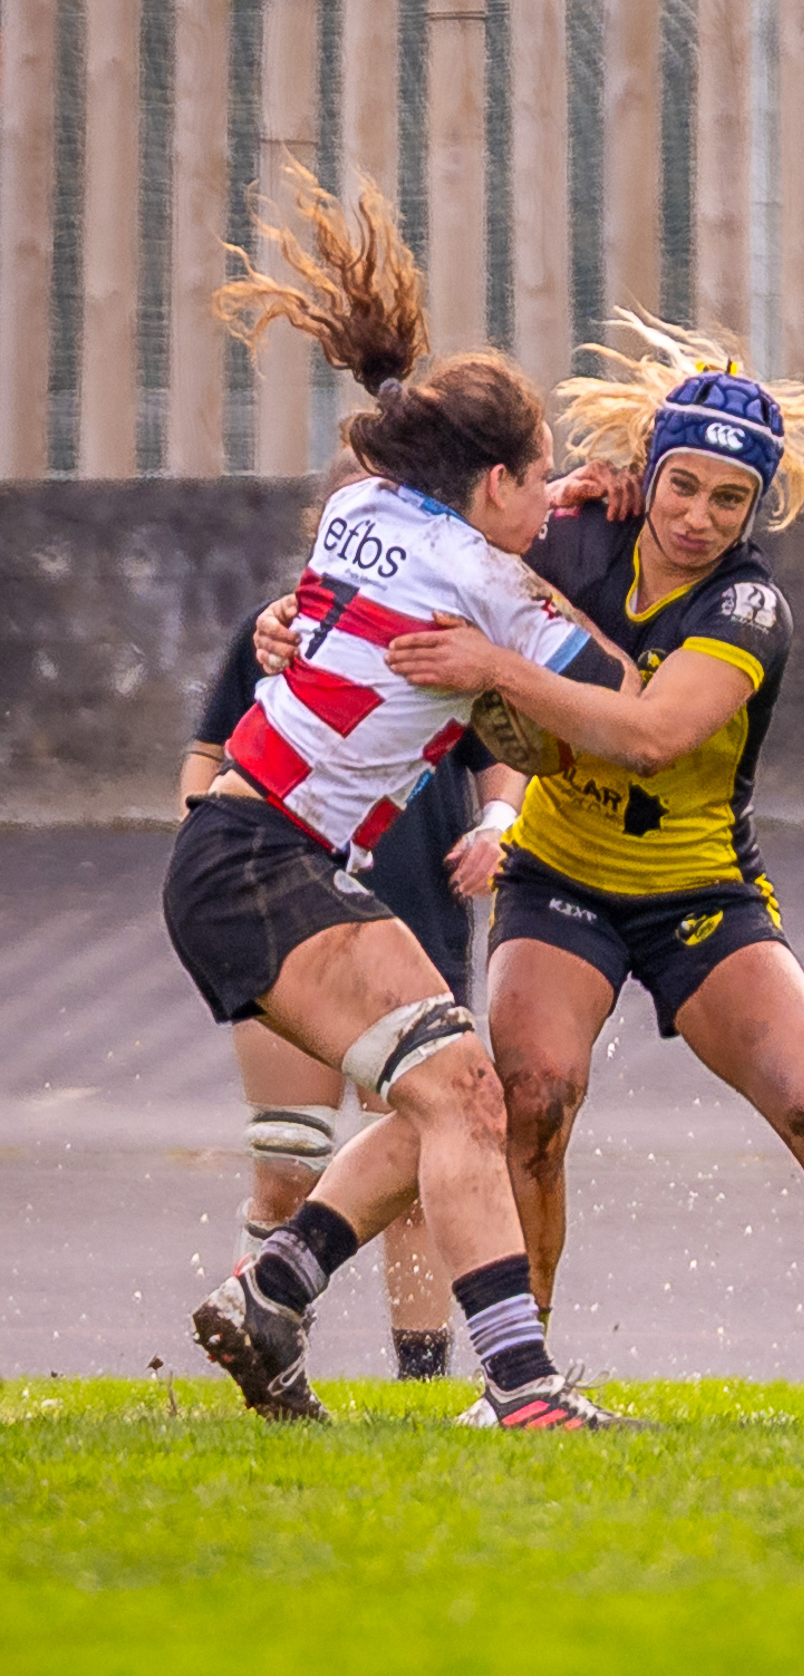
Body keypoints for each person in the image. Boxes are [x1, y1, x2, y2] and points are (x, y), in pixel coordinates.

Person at [361, 314, 804, 1422]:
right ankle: (522, 1387)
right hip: (557, 880)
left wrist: (499, 663)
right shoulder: (567, 534)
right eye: (681, 487)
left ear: (757, 510)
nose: (698, 518)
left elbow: (646, 736)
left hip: (700, 894)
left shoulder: (748, 607)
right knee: (535, 1104)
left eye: (727, 500)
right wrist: (287, 626)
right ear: (644, 475)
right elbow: (423, 554)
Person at [172, 162, 642, 1429]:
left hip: (247, 852)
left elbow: (415, 555)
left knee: (446, 1086)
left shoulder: (365, 502)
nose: (550, 501)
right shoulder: (484, 588)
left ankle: (274, 1293)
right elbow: (627, 705)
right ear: (487, 482)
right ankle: (526, 1390)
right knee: (466, 1095)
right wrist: (606, 551)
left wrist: (555, 522)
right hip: (264, 861)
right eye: (540, 478)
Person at [181, 591, 525, 1380]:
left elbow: (499, 754)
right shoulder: (280, 627)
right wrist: (213, 845)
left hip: (413, 912)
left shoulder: (445, 631)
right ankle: (258, 1362)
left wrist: (496, 823)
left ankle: (422, 1380)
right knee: (287, 1163)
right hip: (283, 912)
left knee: (417, 1156)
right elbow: (207, 757)